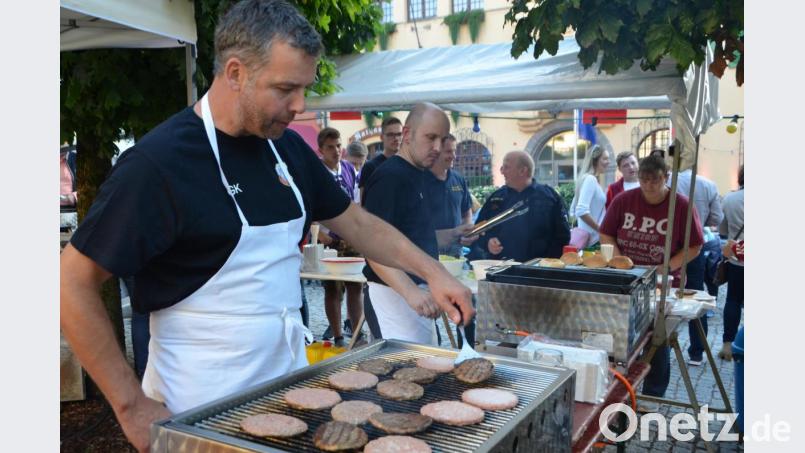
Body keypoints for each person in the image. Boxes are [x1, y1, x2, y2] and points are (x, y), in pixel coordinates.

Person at [59, 3, 473, 451]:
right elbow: (70, 283)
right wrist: (130, 405)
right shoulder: (158, 164)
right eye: (285, 89)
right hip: (197, 403)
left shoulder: (288, 149)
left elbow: (357, 223)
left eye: (304, 89)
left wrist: (433, 273)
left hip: (289, 389)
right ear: (235, 72)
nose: (299, 106)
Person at [600, 154, 704, 411]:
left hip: (664, 282)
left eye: (654, 180)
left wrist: (666, 267)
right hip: (628, 279)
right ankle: (618, 388)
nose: (648, 186)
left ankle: (652, 395)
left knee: (657, 338)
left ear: (666, 177)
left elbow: (695, 246)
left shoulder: (680, 205)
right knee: (621, 335)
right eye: (644, 180)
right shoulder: (624, 200)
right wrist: (617, 260)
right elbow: (606, 233)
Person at [362, 103, 472, 344]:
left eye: (442, 139)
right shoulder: (389, 177)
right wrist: (411, 292)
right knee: (402, 374)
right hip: (392, 294)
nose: (437, 147)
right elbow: (373, 248)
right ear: (407, 134)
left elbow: (416, 235)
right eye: (430, 137)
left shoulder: (421, 174)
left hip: (418, 293)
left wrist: (454, 234)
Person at [423, 133, 478, 347]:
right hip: (428, 257)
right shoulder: (421, 181)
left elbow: (467, 212)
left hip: (455, 257)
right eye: (448, 151)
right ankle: (433, 348)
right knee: (430, 308)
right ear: (436, 153)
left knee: (465, 302)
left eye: (454, 151)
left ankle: (467, 349)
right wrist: (455, 231)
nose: (453, 156)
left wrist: (467, 231)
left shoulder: (458, 179)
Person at [469, 151, 570, 262]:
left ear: (522, 171)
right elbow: (479, 230)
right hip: (502, 269)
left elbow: (563, 236)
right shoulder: (496, 198)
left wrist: (546, 263)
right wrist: (487, 242)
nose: (502, 171)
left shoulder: (549, 197)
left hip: (538, 270)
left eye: (506, 167)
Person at [315, 127, 362, 347]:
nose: (336, 151)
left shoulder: (349, 168)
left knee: (356, 286)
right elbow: (310, 206)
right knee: (333, 289)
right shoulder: (315, 171)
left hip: (351, 236)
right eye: (331, 147)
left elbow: (355, 201)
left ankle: (356, 332)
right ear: (321, 150)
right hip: (330, 239)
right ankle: (338, 336)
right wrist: (321, 235)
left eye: (339, 146)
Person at [674, 167, 724, 366]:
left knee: (661, 292)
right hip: (695, 245)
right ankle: (696, 352)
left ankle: (661, 344)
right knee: (694, 294)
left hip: (669, 247)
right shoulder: (708, 184)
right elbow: (717, 219)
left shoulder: (668, 181)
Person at [717, 165, 744, 361]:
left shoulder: (731, 199)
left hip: (738, 259)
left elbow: (723, 229)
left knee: (733, 300)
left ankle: (728, 344)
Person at [569, 145, 610, 248]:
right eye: (605, 158)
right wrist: (601, 229)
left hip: (587, 239)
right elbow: (581, 210)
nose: (608, 162)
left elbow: (572, 210)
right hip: (592, 240)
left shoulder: (586, 179)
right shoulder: (590, 179)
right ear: (595, 160)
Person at [358, 116, 403, 202]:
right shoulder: (370, 167)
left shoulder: (407, 164)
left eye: (399, 134)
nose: (396, 138)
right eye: (390, 135)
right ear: (382, 137)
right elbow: (364, 202)